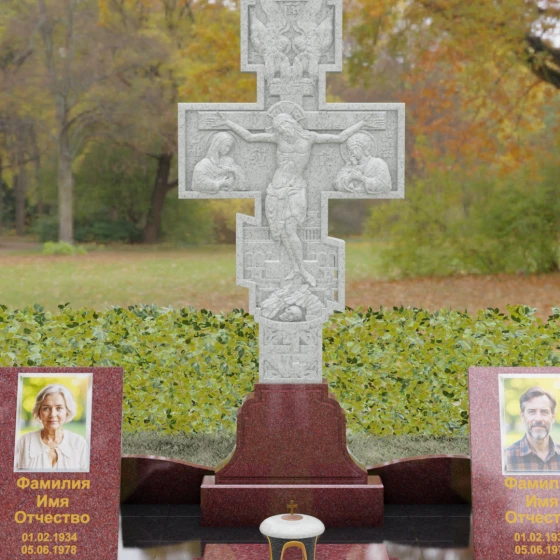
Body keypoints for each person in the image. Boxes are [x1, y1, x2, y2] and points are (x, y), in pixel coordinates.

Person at [218, 111, 377, 287]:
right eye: (278, 128)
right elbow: (249, 137)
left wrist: (361, 124)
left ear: (292, 122)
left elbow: (339, 138)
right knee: (283, 231)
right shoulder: (278, 139)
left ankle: (301, 269)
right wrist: (228, 122)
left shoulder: (310, 137)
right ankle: (296, 268)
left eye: (283, 125)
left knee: (291, 229)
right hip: (276, 188)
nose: (282, 130)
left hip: (296, 188)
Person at [15, 384, 88, 471]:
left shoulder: (79, 443)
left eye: (59, 408)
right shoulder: (24, 442)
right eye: (46, 408)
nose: (52, 414)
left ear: (67, 412)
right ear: (39, 412)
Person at [505, 386, 560, 472]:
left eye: (544, 412)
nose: (538, 419)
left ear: (553, 417)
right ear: (522, 417)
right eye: (532, 412)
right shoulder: (506, 458)